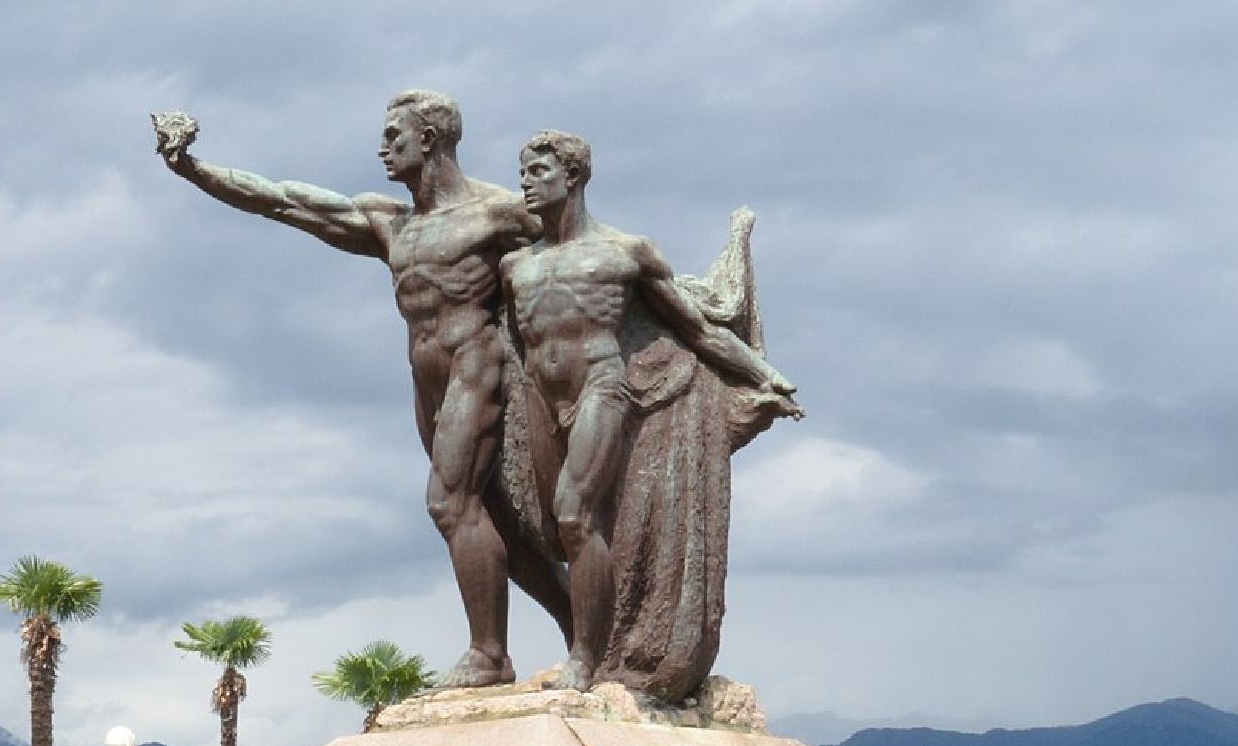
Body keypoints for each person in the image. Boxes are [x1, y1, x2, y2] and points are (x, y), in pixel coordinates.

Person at [152, 97, 571, 688]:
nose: (382, 148)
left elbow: (577, 252)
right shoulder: (388, 221)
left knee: (450, 505)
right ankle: (582, 631)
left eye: (394, 135)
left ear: (430, 138)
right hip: (427, 382)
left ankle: (489, 656)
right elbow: (283, 200)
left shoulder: (497, 214)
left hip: (478, 368)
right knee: (496, 522)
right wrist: (193, 168)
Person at [502, 130, 799, 690]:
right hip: (542, 398)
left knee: (574, 515)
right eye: (522, 174)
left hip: (601, 386)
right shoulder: (516, 265)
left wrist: (765, 373)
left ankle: (585, 661)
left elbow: (698, 330)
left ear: (573, 176)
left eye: (538, 172)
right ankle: (592, 639)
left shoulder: (624, 252)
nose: (526, 184)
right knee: (550, 530)